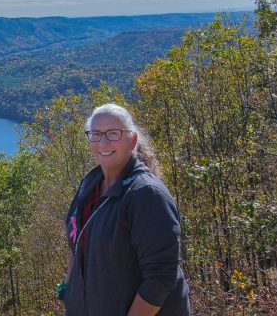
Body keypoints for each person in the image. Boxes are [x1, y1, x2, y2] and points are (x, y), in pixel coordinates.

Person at [60, 103, 190, 315]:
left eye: (113, 133)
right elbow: (75, 243)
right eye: (96, 134)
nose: (103, 141)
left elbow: (160, 277)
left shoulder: (146, 194)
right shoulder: (90, 185)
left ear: (133, 140)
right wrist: (68, 291)